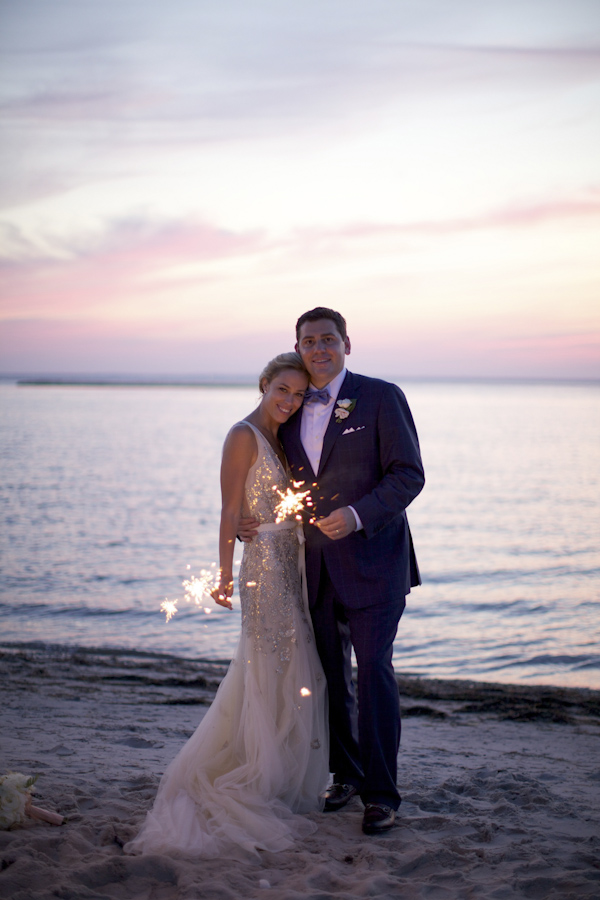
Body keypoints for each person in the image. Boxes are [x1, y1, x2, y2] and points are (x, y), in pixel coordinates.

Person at [125, 352, 329, 860]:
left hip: (292, 562)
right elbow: (230, 508)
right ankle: (258, 775)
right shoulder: (242, 435)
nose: (290, 400)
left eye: (299, 394)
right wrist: (222, 576)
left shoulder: (284, 439)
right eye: (282, 389)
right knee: (270, 668)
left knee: (293, 666)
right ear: (263, 385)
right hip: (263, 569)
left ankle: (281, 773)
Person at [239, 308, 424, 836]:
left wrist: (358, 514)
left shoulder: (381, 396)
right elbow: (265, 473)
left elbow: (408, 475)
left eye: (328, 340)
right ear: (297, 348)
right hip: (311, 567)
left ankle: (382, 795)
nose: (319, 349)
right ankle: (345, 774)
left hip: (375, 563)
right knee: (329, 679)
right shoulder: (290, 406)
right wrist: (245, 521)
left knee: (374, 675)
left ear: (347, 343)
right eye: (309, 341)